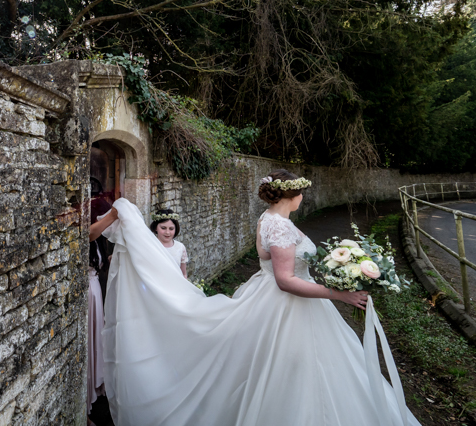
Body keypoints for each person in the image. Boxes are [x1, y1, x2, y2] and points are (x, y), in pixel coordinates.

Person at [99, 170, 419, 426]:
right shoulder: (278, 226)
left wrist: (343, 263)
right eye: (300, 192)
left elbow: (293, 262)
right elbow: (285, 280)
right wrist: (339, 293)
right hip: (287, 309)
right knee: (299, 367)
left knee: (283, 366)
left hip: (269, 299)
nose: (303, 196)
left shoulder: (268, 218)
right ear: (290, 195)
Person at [86, 205, 118, 423]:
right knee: (89, 337)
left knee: (97, 335)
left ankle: (97, 387)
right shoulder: (89, 230)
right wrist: (114, 214)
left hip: (95, 284)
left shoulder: (99, 239)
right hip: (88, 288)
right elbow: (89, 233)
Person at [149, 209, 187, 278]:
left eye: (171, 229)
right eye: (163, 228)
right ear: (156, 228)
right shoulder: (150, 246)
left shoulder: (180, 247)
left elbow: (183, 274)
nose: (167, 232)